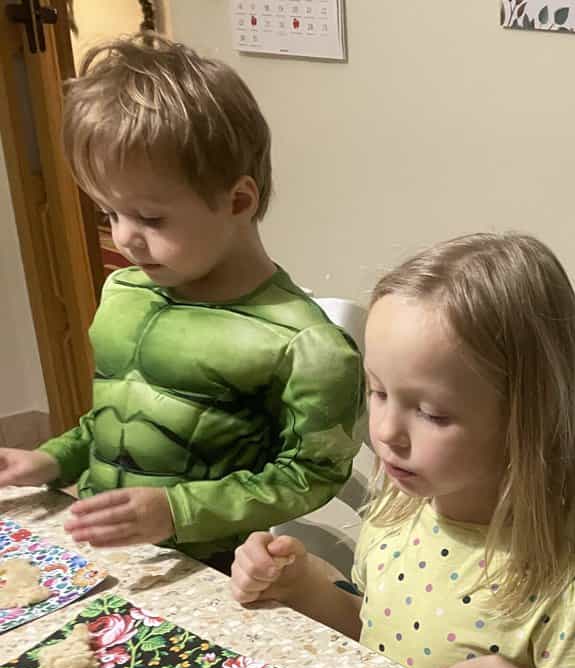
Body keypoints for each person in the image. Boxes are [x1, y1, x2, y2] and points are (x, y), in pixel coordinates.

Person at [230, 232, 575, 668]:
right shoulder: (400, 509)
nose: (384, 431)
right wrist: (303, 586)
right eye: (378, 391)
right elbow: (381, 642)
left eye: (431, 413)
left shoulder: (573, 587)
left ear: (525, 423)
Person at [0, 35, 364, 569]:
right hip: (102, 552)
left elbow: (311, 475)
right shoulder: (124, 292)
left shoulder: (308, 345)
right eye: (109, 214)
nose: (125, 239)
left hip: (210, 573)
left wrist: (176, 509)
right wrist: (50, 460)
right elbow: (114, 419)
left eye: (150, 218)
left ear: (238, 201)